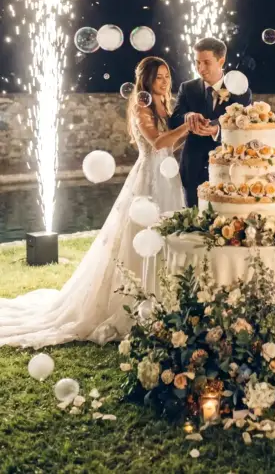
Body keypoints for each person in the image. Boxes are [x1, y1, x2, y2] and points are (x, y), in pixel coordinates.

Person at [0, 56, 187, 348]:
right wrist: (187, 127)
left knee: (167, 236)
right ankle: (134, 299)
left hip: (168, 178)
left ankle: (164, 296)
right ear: (146, 81)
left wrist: (189, 132)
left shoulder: (166, 102)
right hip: (148, 178)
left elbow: (171, 144)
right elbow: (158, 143)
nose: (164, 82)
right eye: (158, 77)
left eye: (166, 76)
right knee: (138, 236)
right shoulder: (141, 106)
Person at [170, 37, 252, 207]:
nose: (200, 68)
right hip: (192, 167)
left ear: (221, 60)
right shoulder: (187, 88)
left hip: (227, 170)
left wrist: (216, 129)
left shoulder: (240, 91)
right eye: (197, 62)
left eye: (206, 62)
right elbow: (174, 121)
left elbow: (244, 127)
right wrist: (188, 116)